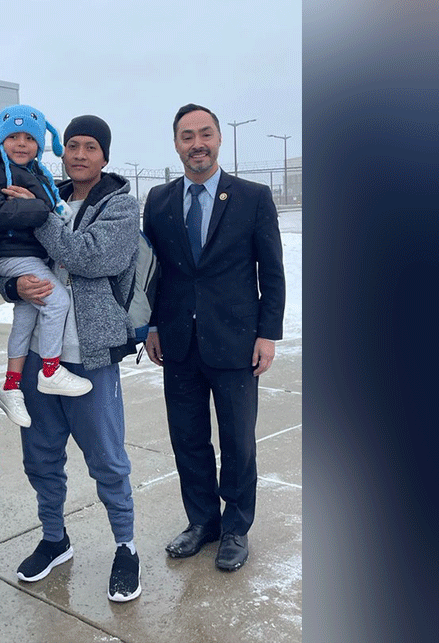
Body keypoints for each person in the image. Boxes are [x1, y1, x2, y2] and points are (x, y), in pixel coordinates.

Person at [2, 114, 144, 602]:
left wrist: (39, 214)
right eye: (72, 146)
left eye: (90, 147)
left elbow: (90, 257)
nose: (79, 154)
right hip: (41, 352)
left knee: (106, 458)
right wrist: (10, 283)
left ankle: (125, 547)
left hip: (90, 357)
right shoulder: (44, 190)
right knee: (40, 457)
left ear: (105, 156)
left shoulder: (121, 206)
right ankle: (54, 539)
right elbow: (8, 254)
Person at [142, 103, 285, 572]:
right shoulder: (159, 202)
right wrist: (155, 326)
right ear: (177, 143)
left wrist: (268, 334)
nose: (196, 143)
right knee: (188, 439)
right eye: (187, 136)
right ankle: (202, 522)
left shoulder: (253, 197)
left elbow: (273, 272)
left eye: (205, 133)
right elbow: (154, 274)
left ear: (218, 139)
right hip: (179, 344)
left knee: (238, 442)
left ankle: (236, 527)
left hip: (237, 343)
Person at [0, 104, 93, 428]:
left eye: (29, 138)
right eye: (13, 137)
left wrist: (39, 207)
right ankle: (50, 370)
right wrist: (37, 209)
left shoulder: (36, 173)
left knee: (26, 314)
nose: (21, 143)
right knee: (57, 300)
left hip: (29, 254)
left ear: (40, 143)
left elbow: (51, 208)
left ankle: (11, 386)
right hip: (12, 254)